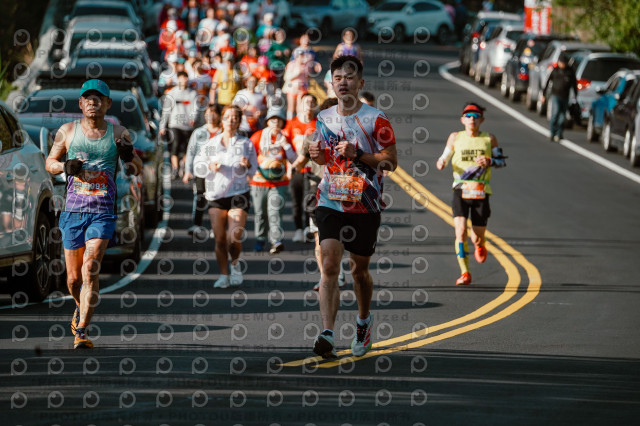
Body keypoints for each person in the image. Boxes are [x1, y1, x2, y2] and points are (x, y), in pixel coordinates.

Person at [308, 55, 397, 359]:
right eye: (337, 78)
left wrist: (358, 154)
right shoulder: (324, 117)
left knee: (359, 271)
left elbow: (391, 163)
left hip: (365, 203)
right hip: (330, 199)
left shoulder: (376, 119)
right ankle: (327, 333)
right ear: (331, 84)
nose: (343, 82)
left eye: (349, 77)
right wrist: (316, 154)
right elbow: (324, 157)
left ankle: (363, 322)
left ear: (360, 83)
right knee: (330, 265)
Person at [45, 79, 143, 349]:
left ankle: (83, 331)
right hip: (73, 212)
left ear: (107, 103)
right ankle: (81, 307)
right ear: (80, 103)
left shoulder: (118, 133)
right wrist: (66, 166)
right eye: (87, 98)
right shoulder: (67, 131)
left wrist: (129, 156)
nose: (92, 102)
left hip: (102, 212)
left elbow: (137, 168)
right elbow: (50, 162)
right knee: (73, 279)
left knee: (90, 269)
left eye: (98, 98)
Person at [435, 103, 506, 286]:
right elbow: (444, 157)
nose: (472, 119)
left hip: (481, 190)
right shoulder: (455, 137)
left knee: (477, 236)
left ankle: (480, 245)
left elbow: (501, 162)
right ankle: (465, 272)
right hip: (460, 188)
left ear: (482, 120)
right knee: (460, 232)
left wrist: (489, 161)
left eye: (476, 116)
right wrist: (441, 162)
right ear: (462, 120)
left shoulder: (489, 138)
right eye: (468, 116)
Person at [193, 105, 258, 288]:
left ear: (239, 121)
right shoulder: (211, 144)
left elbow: (254, 169)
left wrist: (247, 166)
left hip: (239, 194)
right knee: (220, 239)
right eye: (227, 117)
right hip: (216, 195)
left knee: (233, 236)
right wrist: (209, 167)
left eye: (235, 117)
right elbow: (197, 166)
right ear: (222, 120)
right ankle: (223, 275)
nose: (231, 120)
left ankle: (235, 265)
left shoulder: (246, 144)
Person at [249, 106, 297, 254]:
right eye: (272, 119)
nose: (276, 122)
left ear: (282, 122)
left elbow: (294, 159)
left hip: (280, 182)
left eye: (279, 120)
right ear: (267, 121)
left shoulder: (286, 137)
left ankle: (276, 241)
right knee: (260, 213)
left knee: (275, 211)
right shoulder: (257, 136)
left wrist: (286, 145)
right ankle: (260, 238)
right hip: (259, 181)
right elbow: (249, 155)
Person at [183, 104, 222, 237]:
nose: (211, 116)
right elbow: (191, 152)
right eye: (208, 113)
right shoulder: (198, 132)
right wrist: (188, 170)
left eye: (214, 112)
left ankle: (216, 227)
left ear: (219, 115)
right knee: (200, 196)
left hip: (218, 172)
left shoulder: (223, 132)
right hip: (201, 170)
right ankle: (196, 225)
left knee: (216, 198)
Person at [284, 93, 318, 243]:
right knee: (296, 200)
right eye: (306, 102)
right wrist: (288, 167)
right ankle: (298, 229)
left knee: (310, 199)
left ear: (315, 105)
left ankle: (308, 228)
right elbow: (285, 148)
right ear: (300, 105)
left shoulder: (318, 124)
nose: (309, 105)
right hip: (296, 168)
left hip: (313, 170)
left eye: (312, 102)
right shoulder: (291, 124)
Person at [159, 71, 199, 180]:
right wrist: (162, 126)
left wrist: (193, 118)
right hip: (174, 124)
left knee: (188, 148)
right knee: (175, 145)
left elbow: (195, 109)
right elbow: (166, 110)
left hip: (188, 125)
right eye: (182, 78)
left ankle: (183, 164)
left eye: (186, 79)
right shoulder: (172, 93)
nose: (184, 81)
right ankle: (175, 168)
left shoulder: (193, 94)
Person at [541, 54, 578, 142]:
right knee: (555, 113)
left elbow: (574, 84)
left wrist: (576, 96)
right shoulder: (555, 71)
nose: (562, 64)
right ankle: (552, 133)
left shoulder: (570, 72)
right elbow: (547, 82)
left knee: (562, 117)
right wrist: (544, 95)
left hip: (565, 97)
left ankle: (559, 134)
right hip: (555, 95)